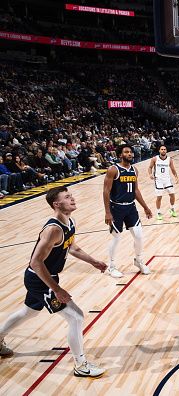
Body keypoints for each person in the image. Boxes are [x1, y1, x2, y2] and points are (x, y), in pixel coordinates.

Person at [0, 186, 107, 378]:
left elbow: (72, 248)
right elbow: (36, 262)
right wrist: (56, 289)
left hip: (45, 277)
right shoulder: (52, 229)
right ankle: (81, 365)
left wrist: (93, 262)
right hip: (38, 279)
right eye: (67, 197)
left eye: (71, 195)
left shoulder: (69, 222)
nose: (73, 198)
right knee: (76, 317)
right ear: (56, 204)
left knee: (29, 312)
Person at [103, 144, 152, 278]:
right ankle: (112, 267)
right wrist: (107, 212)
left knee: (139, 236)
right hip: (116, 208)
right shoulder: (113, 169)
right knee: (116, 238)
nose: (130, 154)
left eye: (131, 152)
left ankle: (138, 260)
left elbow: (136, 190)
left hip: (131, 207)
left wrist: (145, 207)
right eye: (126, 152)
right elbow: (106, 191)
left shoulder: (134, 170)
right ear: (120, 155)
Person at [148, 145, 179, 221]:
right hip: (159, 180)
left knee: (172, 195)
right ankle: (158, 212)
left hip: (167, 180)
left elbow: (172, 169)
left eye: (164, 149)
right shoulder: (155, 159)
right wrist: (150, 174)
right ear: (159, 150)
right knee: (159, 197)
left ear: (166, 150)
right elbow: (150, 167)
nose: (163, 150)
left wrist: (176, 177)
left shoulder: (169, 159)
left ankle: (172, 209)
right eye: (162, 149)